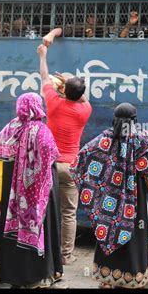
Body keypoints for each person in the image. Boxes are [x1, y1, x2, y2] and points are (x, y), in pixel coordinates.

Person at [70, 103, 148, 289]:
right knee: (135, 233)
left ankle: (107, 278)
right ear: (135, 119)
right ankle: (134, 276)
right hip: (135, 198)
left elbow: (80, 160)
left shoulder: (105, 139)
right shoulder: (144, 139)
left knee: (108, 229)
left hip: (109, 199)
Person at [0, 92, 63, 288]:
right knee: (42, 227)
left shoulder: (10, 129)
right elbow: (51, 158)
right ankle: (39, 275)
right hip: (38, 195)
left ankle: (14, 277)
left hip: (13, 198)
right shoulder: (42, 131)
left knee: (12, 232)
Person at [37, 44, 92, 266]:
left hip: (49, 165)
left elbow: (43, 77)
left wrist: (43, 56)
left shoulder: (52, 103)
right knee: (69, 213)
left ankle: (42, 250)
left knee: (43, 209)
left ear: (62, 91)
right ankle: (66, 256)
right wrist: (68, 86)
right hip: (71, 167)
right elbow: (82, 98)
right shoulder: (84, 110)